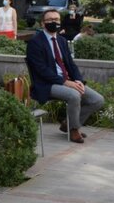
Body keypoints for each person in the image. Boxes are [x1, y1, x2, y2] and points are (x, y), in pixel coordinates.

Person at [27, 8, 105, 144]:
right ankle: (74, 129)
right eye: (50, 20)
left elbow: (71, 65)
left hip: (66, 81)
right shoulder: (35, 42)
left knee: (97, 100)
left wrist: (79, 81)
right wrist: (65, 82)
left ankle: (67, 124)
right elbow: (41, 70)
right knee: (74, 95)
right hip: (46, 84)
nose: (54, 22)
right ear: (42, 24)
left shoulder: (62, 41)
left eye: (56, 20)